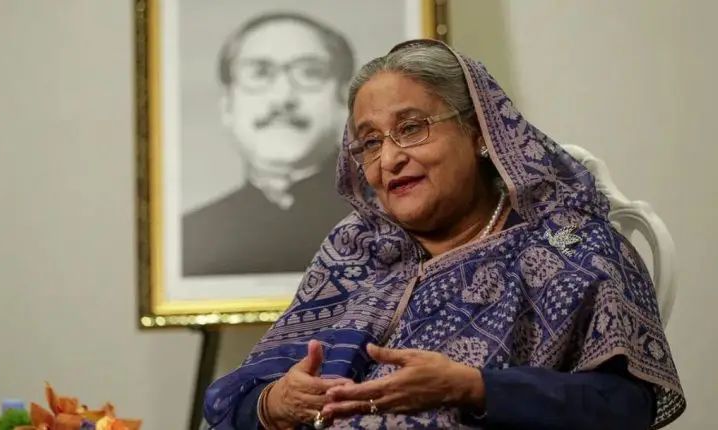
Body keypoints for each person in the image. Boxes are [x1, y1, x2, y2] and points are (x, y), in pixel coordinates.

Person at [203, 39, 685, 429]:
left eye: (411, 128)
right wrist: (274, 404)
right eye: (370, 142)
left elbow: (627, 407)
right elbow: (237, 399)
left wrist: (473, 387)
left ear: (479, 133)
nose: (389, 158)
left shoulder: (570, 246)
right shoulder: (356, 249)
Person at [182, 13, 354, 276]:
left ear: (344, 100)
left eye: (310, 73)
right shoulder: (188, 236)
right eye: (260, 73)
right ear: (227, 106)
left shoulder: (395, 225)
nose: (282, 97)